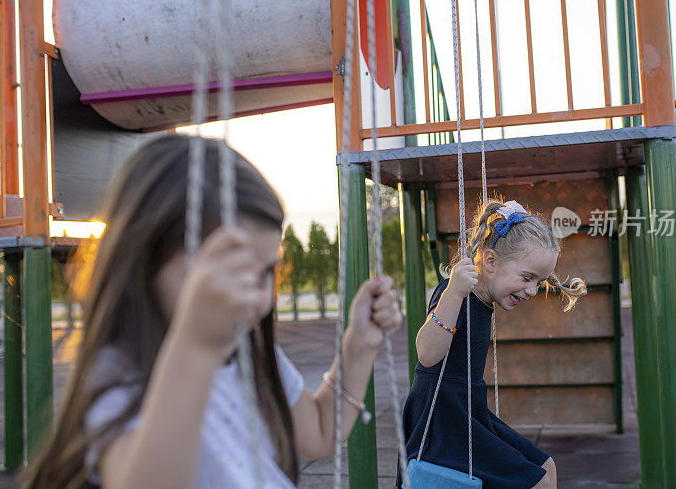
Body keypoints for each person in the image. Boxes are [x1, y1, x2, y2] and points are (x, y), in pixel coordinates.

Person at [23, 135, 403, 488]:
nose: (251, 295)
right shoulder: (119, 372)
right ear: (144, 260)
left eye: (267, 271)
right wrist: (197, 346)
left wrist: (357, 347)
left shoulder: (246, 349)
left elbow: (320, 432)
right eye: (226, 270)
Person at [397, 199, 587, 488]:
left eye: (539, 281)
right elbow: (426, 354)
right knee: (538, 483)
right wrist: (453, 293)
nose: (533, 290)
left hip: (469, 410)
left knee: (546, 466)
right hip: (443, 419)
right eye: (527, 277)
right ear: (490, 261)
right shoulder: (456, 294)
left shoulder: (484, 301)